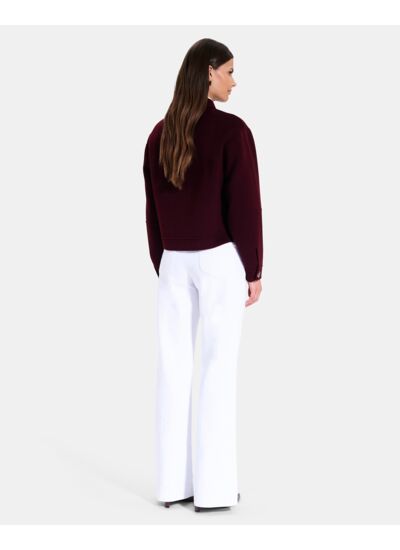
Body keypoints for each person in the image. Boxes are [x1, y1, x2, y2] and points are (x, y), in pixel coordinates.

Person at [143, 38, 263, 512]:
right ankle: (214, 490)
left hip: (173, 262)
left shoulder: (160, 134)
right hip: (217, 262)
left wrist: (164, 262)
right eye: (229, 71)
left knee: (172, 368)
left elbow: (152, 211)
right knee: (217, 367)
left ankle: (171, 485)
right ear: (209, 72)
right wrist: (254, 267)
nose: (234, 81)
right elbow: (245, 206)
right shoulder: (232, 132)